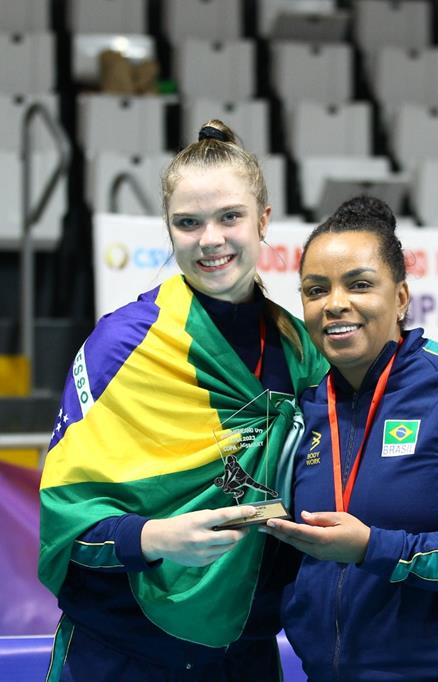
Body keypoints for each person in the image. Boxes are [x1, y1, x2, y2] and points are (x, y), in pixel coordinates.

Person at [38, 120, 328, 681]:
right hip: (123, 652)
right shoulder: (120, 347)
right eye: (188, 223)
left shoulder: (302, 352)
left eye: (229, 217)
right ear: (168, 230)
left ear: (263, 220)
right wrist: (151, 538)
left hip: (245, 654)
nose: (210, 240)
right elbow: (63, 516)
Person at [263, 196, 438, 682]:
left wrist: (375, 548)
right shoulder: (303, 409)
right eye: (315, 290)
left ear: (400, 298)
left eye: (360, 285)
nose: (335, 304)